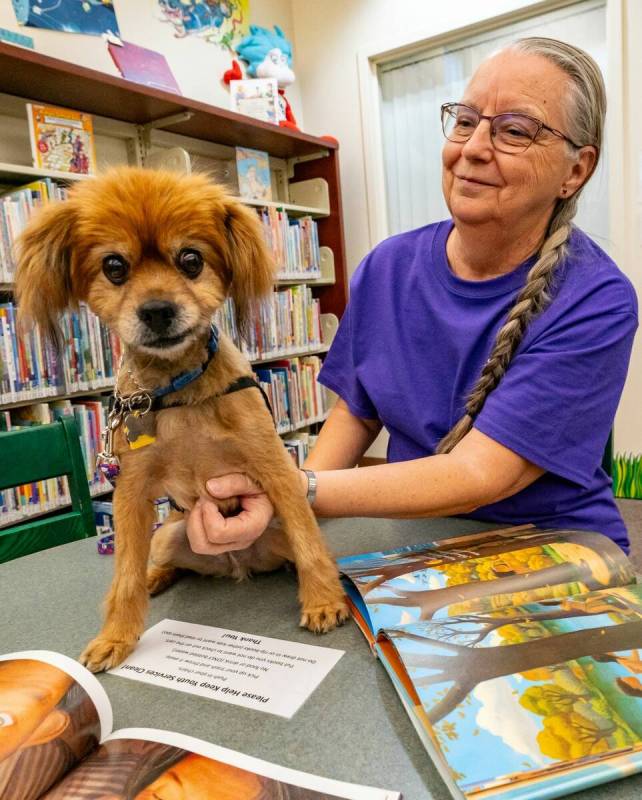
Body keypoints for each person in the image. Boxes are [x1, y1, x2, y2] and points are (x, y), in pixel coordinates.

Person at [187, 37, 638, 556]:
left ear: (575, 171)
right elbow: (357, 412)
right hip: (418, 544)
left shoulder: (597, 300)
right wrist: (284, 508)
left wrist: (292, 487)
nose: (472, 148)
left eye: (515, 130)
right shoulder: (387, 266)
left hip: (552, 551)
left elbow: (479, 473)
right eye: (466, 121)